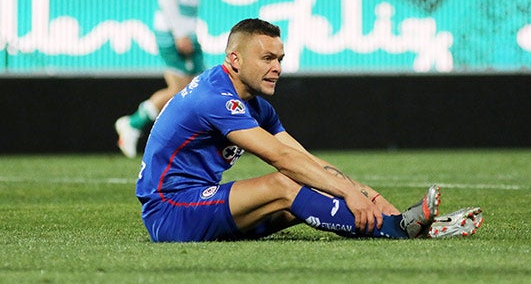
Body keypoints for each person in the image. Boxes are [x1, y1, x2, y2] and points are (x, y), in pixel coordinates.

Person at [135, 18, 483, 242]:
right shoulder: (215, 98)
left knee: (309, 192)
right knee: (284, 185)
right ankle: (394, 230)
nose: (277, 68)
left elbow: (305, 159)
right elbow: (281, 158)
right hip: (170, 212)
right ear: (235, 60)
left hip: (197, 205)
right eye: (267, 59)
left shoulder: (256, 105)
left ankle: (404, 224)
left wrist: (373, 197)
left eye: (280, 58)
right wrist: (350, 195)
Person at [115, 0, 210, 158]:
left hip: (186, 32)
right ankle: (139, 127)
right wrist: (180, 33)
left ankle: (136, 124)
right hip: (173, 33)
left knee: (194, 90)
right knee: (186, 92)